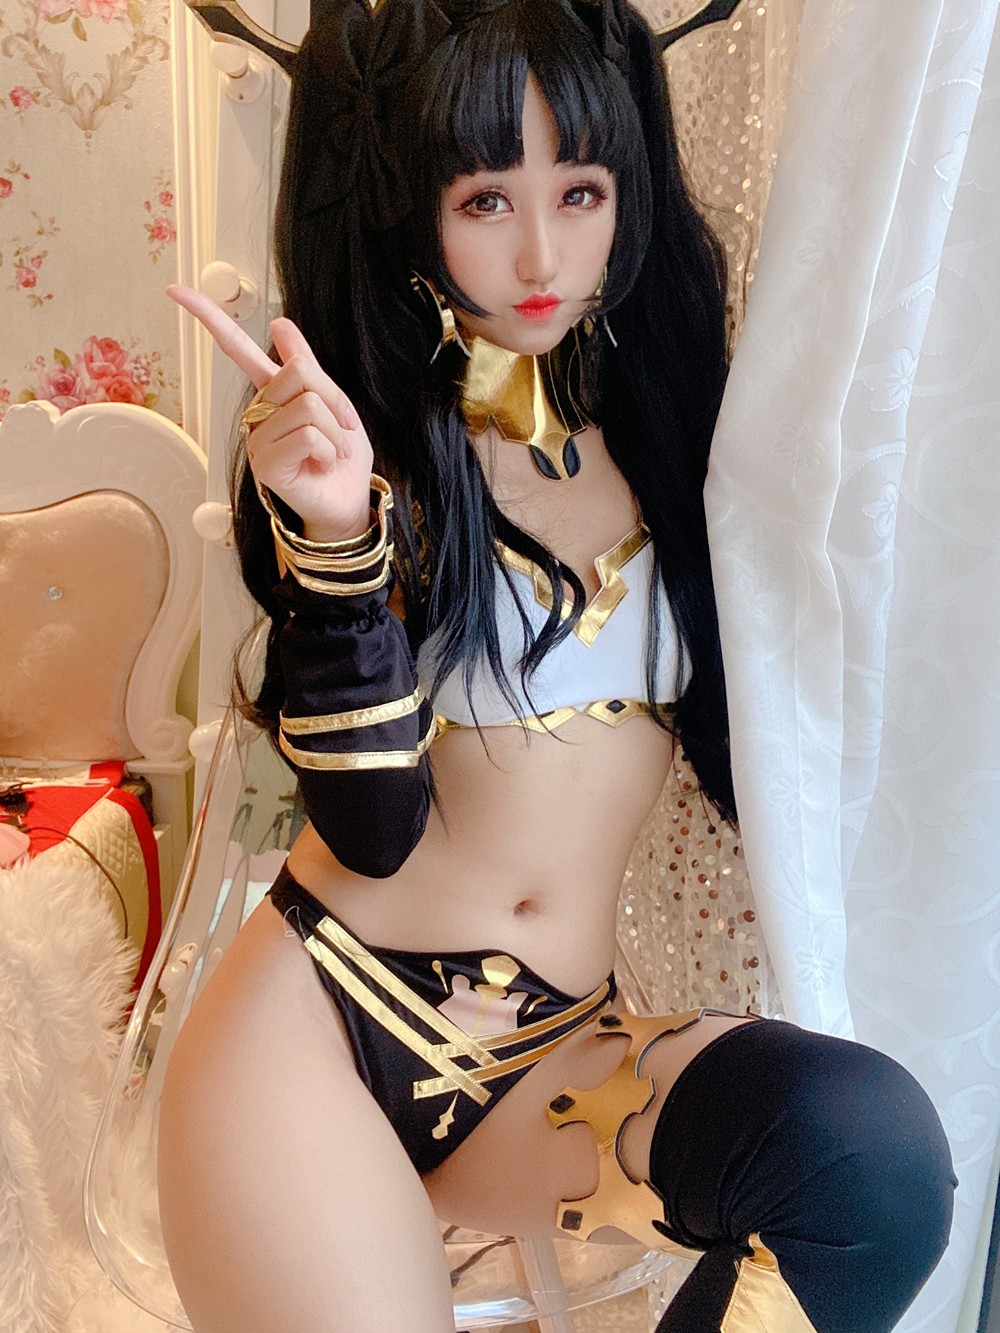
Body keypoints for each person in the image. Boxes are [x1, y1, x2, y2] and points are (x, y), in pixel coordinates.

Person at [157, 1, 956, 1329]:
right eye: (486, 200)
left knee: (863, 1160)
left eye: (578, 192)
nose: (540, 254)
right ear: (417, 212)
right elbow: (370, 829)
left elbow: (751, 759)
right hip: (314, 1033)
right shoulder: (364, 456)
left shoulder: (671, 438)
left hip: (545, 1058)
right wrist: (341, 537)